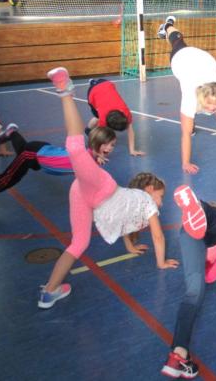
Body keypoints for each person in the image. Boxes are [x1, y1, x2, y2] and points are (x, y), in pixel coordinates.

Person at [37, 67, 178, 310]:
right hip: (97, 188)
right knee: (74, 148)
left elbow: (122, 220)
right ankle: (64, 89)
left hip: (83, 194)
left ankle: (50, 292)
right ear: (149, 189)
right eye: (161, 195)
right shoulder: (146, 204)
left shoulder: (134, 202)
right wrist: (161, 262)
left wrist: (131, 245)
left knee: (79, 243)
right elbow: (157, 236)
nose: (162, 202)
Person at [162, 185, 216, 379]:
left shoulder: (194, 229)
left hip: (194, 242)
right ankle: (203, 210)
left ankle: (178, 355)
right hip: (215, 232)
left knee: (192, 294)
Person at [158, 16, 216, 174]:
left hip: (207, 61)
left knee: (215, 118)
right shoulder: (190, 98)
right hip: (183, 59)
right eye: (209, 104)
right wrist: (186, 162)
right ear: (200, 98)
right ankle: (168, 26)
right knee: (177, 41)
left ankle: (168, 29)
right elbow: (185, 133)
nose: (213, 108)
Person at [0, 123, 116, 208]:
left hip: (41, 149)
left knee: (23, 148)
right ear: (95, 142)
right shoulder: (82, 155)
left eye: (112, 145)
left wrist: (96, 160)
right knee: (4, 181)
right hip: (33, 156)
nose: (109, 148)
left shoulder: (93, 156)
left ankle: (12, 132)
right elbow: (84, 176)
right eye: (105, 145)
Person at [86, 78, 144, 156]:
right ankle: (87, 130)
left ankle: (93, 81)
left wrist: (132, 150)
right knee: (97, 117)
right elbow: (98, 137)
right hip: (92, 91)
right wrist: (99, 154)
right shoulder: (103, 119)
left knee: (98, 117)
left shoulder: (126, 113)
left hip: (106, 83)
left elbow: (130, 131)